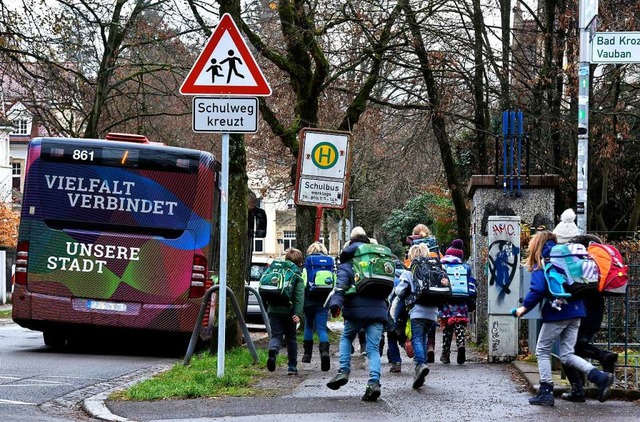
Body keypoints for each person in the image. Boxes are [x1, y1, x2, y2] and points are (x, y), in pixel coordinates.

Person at [513, 231, 614, 406]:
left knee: (542, 350)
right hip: (577, 311)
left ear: (537, 244)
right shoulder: (568, 258)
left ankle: (546, 391)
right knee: (567, 354)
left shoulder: (545, 260)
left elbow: (537, 289)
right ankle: (599, 377)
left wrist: (523, 308)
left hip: (557, 312)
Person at [326, 227, 389, 402]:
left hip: (355, 311)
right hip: (377, 310)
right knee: (373, 349)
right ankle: (373, 383)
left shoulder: (347, 264)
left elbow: (340, 287)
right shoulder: (377, 263)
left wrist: (335, 305)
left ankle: (343, 371)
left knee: (347, 337)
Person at [560, 233, 619, 402]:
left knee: (568, 351)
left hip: (581, 312)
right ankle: (581, 387)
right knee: (576, 349)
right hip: (594, 313)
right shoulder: (594, 266)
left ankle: (580, 387)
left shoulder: (580, 266)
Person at [395, 243, 440, 389]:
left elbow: (399, 291)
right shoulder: (434, 271)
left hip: (417, 312)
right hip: (433, 313)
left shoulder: (410, 273)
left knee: (417, 339)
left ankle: (420, 365)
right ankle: (421, 368)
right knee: (424, 338)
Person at [265, 247, 305, 376]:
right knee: (291, 338)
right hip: (289, 311)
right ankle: (292, 367)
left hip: (273, 310)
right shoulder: (296, 275)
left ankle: (273, 350)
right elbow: (299, 296)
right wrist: (298, 314)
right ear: (299, 262)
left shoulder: (274, 269)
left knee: (276, 336)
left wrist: (268, 306)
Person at [405, 223, 438, 363]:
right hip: (433, 304)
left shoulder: (413, 251)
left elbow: (407, 274)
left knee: (417, 336)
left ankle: (420, 364)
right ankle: (430, 347)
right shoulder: (435, 251)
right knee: (427, 331)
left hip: (417, 305)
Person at [439, 239, 476, 365]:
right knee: (460, 325)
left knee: (447, 328)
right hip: (461, 301)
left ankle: (445, 353)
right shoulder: (465, 267)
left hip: (447, 300)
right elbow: (471, 284)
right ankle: (461, 344)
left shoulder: (442, 266)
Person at [301, 241, 332, 371]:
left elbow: (303, 282)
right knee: (321, 328)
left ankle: (307, 355)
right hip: (323, 300)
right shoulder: (329, 261)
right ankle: (324, 353)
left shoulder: (308, 262)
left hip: (309, 299)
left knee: (308, 325)